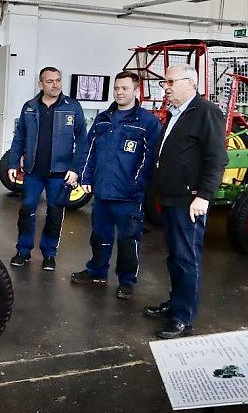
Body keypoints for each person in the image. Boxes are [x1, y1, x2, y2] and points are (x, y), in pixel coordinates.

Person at [143, 65, 227, 339]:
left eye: (169, 81)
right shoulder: (175, 114)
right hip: (169, 199)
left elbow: (217, 159)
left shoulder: (206, 112)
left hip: (189, 201)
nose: (165, 87)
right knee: (175, 257)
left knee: (186, 258)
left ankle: (182, 317)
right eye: (164, 82)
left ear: (190, 83)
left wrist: (203, 196)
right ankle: (175, 303)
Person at [70, 71, 162, 299]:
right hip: (101, 192)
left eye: (125, 88)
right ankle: (97, 271)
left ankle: (127, 281)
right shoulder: (103, 119)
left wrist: (136, 185)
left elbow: (150, 159)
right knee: (100, 236)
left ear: (136, 90)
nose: (120, 92)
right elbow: (89, 151)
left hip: (129, 197)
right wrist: (86, 177)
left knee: (128, 240)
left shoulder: (147, 122)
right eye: (117, 88)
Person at [7, 67, 88, 271]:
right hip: (33, 172)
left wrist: (76, 168)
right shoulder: (30, 107)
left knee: (55, 212)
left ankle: (49, 254)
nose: (56, 85)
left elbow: (82, 141)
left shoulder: (73, 107)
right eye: (50, 81)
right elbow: (19, 138)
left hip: (60, 174)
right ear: (41, 84)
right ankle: (23, 251)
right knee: (27, 210)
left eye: (58, 80)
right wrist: (12, 163)